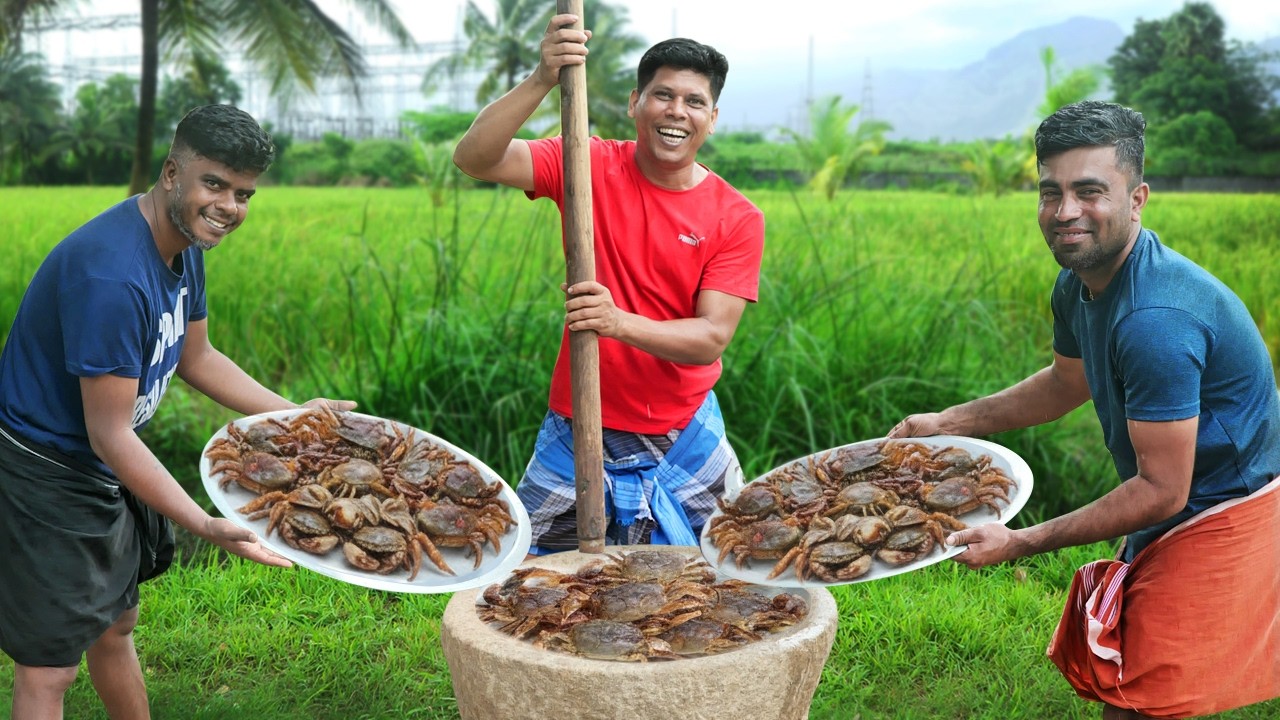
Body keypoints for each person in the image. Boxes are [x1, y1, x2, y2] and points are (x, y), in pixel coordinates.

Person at [889, 100, 1280, 719]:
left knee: (1140, 696)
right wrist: (945, 424)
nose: (1065, 212)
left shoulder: (1155, 321)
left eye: (1090, 191)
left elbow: (1160, 490)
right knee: (1122, 679)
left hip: (1226, 506)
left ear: (1138, 197)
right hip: (1180, 492)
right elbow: (1063, 383)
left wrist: (1019, 543)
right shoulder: (1079, 282)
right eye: (1052, 192)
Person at [0, 104, 355, 719]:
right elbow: (108, 432)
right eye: (214, 184)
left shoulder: (184, 241)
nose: (230, 206)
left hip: (100, 459)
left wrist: (296, 413)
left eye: (244, 193)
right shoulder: (112, 277)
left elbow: (197, 355)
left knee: (116, 623)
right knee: (50, 668)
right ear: (171, 173)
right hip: (45, 470)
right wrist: (203, 522)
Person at [453, 17, 764, 555]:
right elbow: (474, 158)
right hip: (579, 418)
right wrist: (542, 79)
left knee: (736, 558)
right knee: (521, 569)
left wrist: (617, 322)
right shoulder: (585, 160)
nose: (676, 111)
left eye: (694, 102)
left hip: (683, 425)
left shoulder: (736, 216)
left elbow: (712, 338)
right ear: (634, 103)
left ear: (711, 119)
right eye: (662, 95)